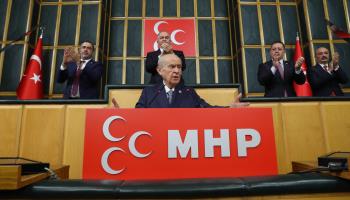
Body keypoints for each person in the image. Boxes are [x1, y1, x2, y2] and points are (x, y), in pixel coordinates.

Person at [135, 54, 248, 108]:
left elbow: (208, 110)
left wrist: (229, 109)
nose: (177, 71)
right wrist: (120, 114)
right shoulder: (149, 93)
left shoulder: (189, 92)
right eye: (172, 66)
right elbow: (138, 117)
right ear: (159, 70)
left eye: (179, 67)